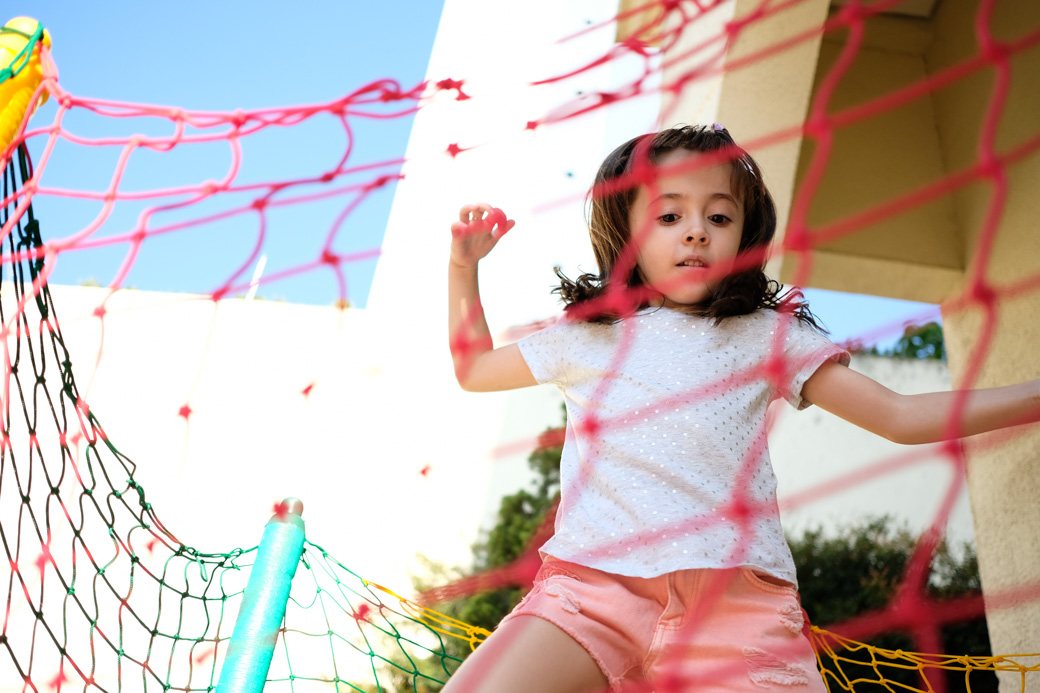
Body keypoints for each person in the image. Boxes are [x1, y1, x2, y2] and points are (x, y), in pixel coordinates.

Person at [444, 124, 1039, 693]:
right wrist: (463, 269)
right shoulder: (590, 336)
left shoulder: (768, 336)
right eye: (669, 215)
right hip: (590, 592)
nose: (697, 231)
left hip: (736, 608)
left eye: (719, 216)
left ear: (744, 236)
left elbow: (900, 416)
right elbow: (473, 370)